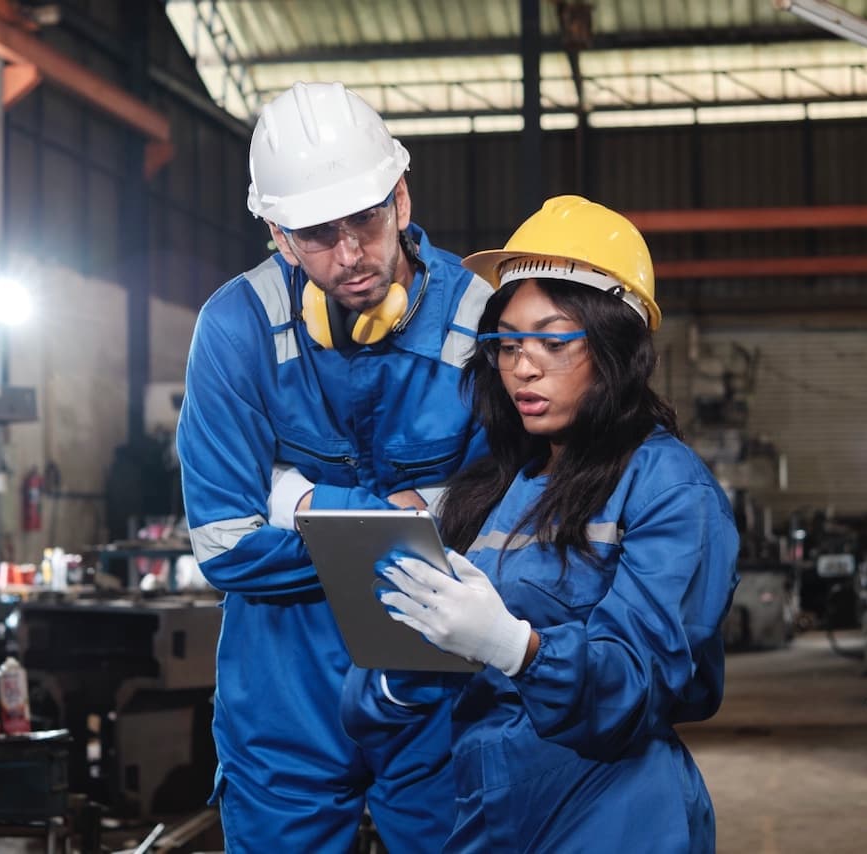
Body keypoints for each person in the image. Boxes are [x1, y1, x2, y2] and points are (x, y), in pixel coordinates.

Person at [343, 195, 740, 852]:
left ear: (617, 345)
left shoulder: (668, 487)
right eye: (507, 343)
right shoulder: (495, 489)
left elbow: (637, 688)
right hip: (488, 813)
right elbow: (375, 706)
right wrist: (399, 670)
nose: (522, 366)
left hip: (615, 814)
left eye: (553, 339)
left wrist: (514, 648)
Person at [176, 81, 492, 852]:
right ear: (280, 238)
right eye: (318, 234)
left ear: (402, 200)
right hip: (284, 697)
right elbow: (223, 545)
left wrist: (295, 499)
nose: (350, 255)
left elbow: (501, 525)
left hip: (439, 691)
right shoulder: (235, 329)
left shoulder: (480, 318)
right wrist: (410, 516)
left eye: (366, 219)